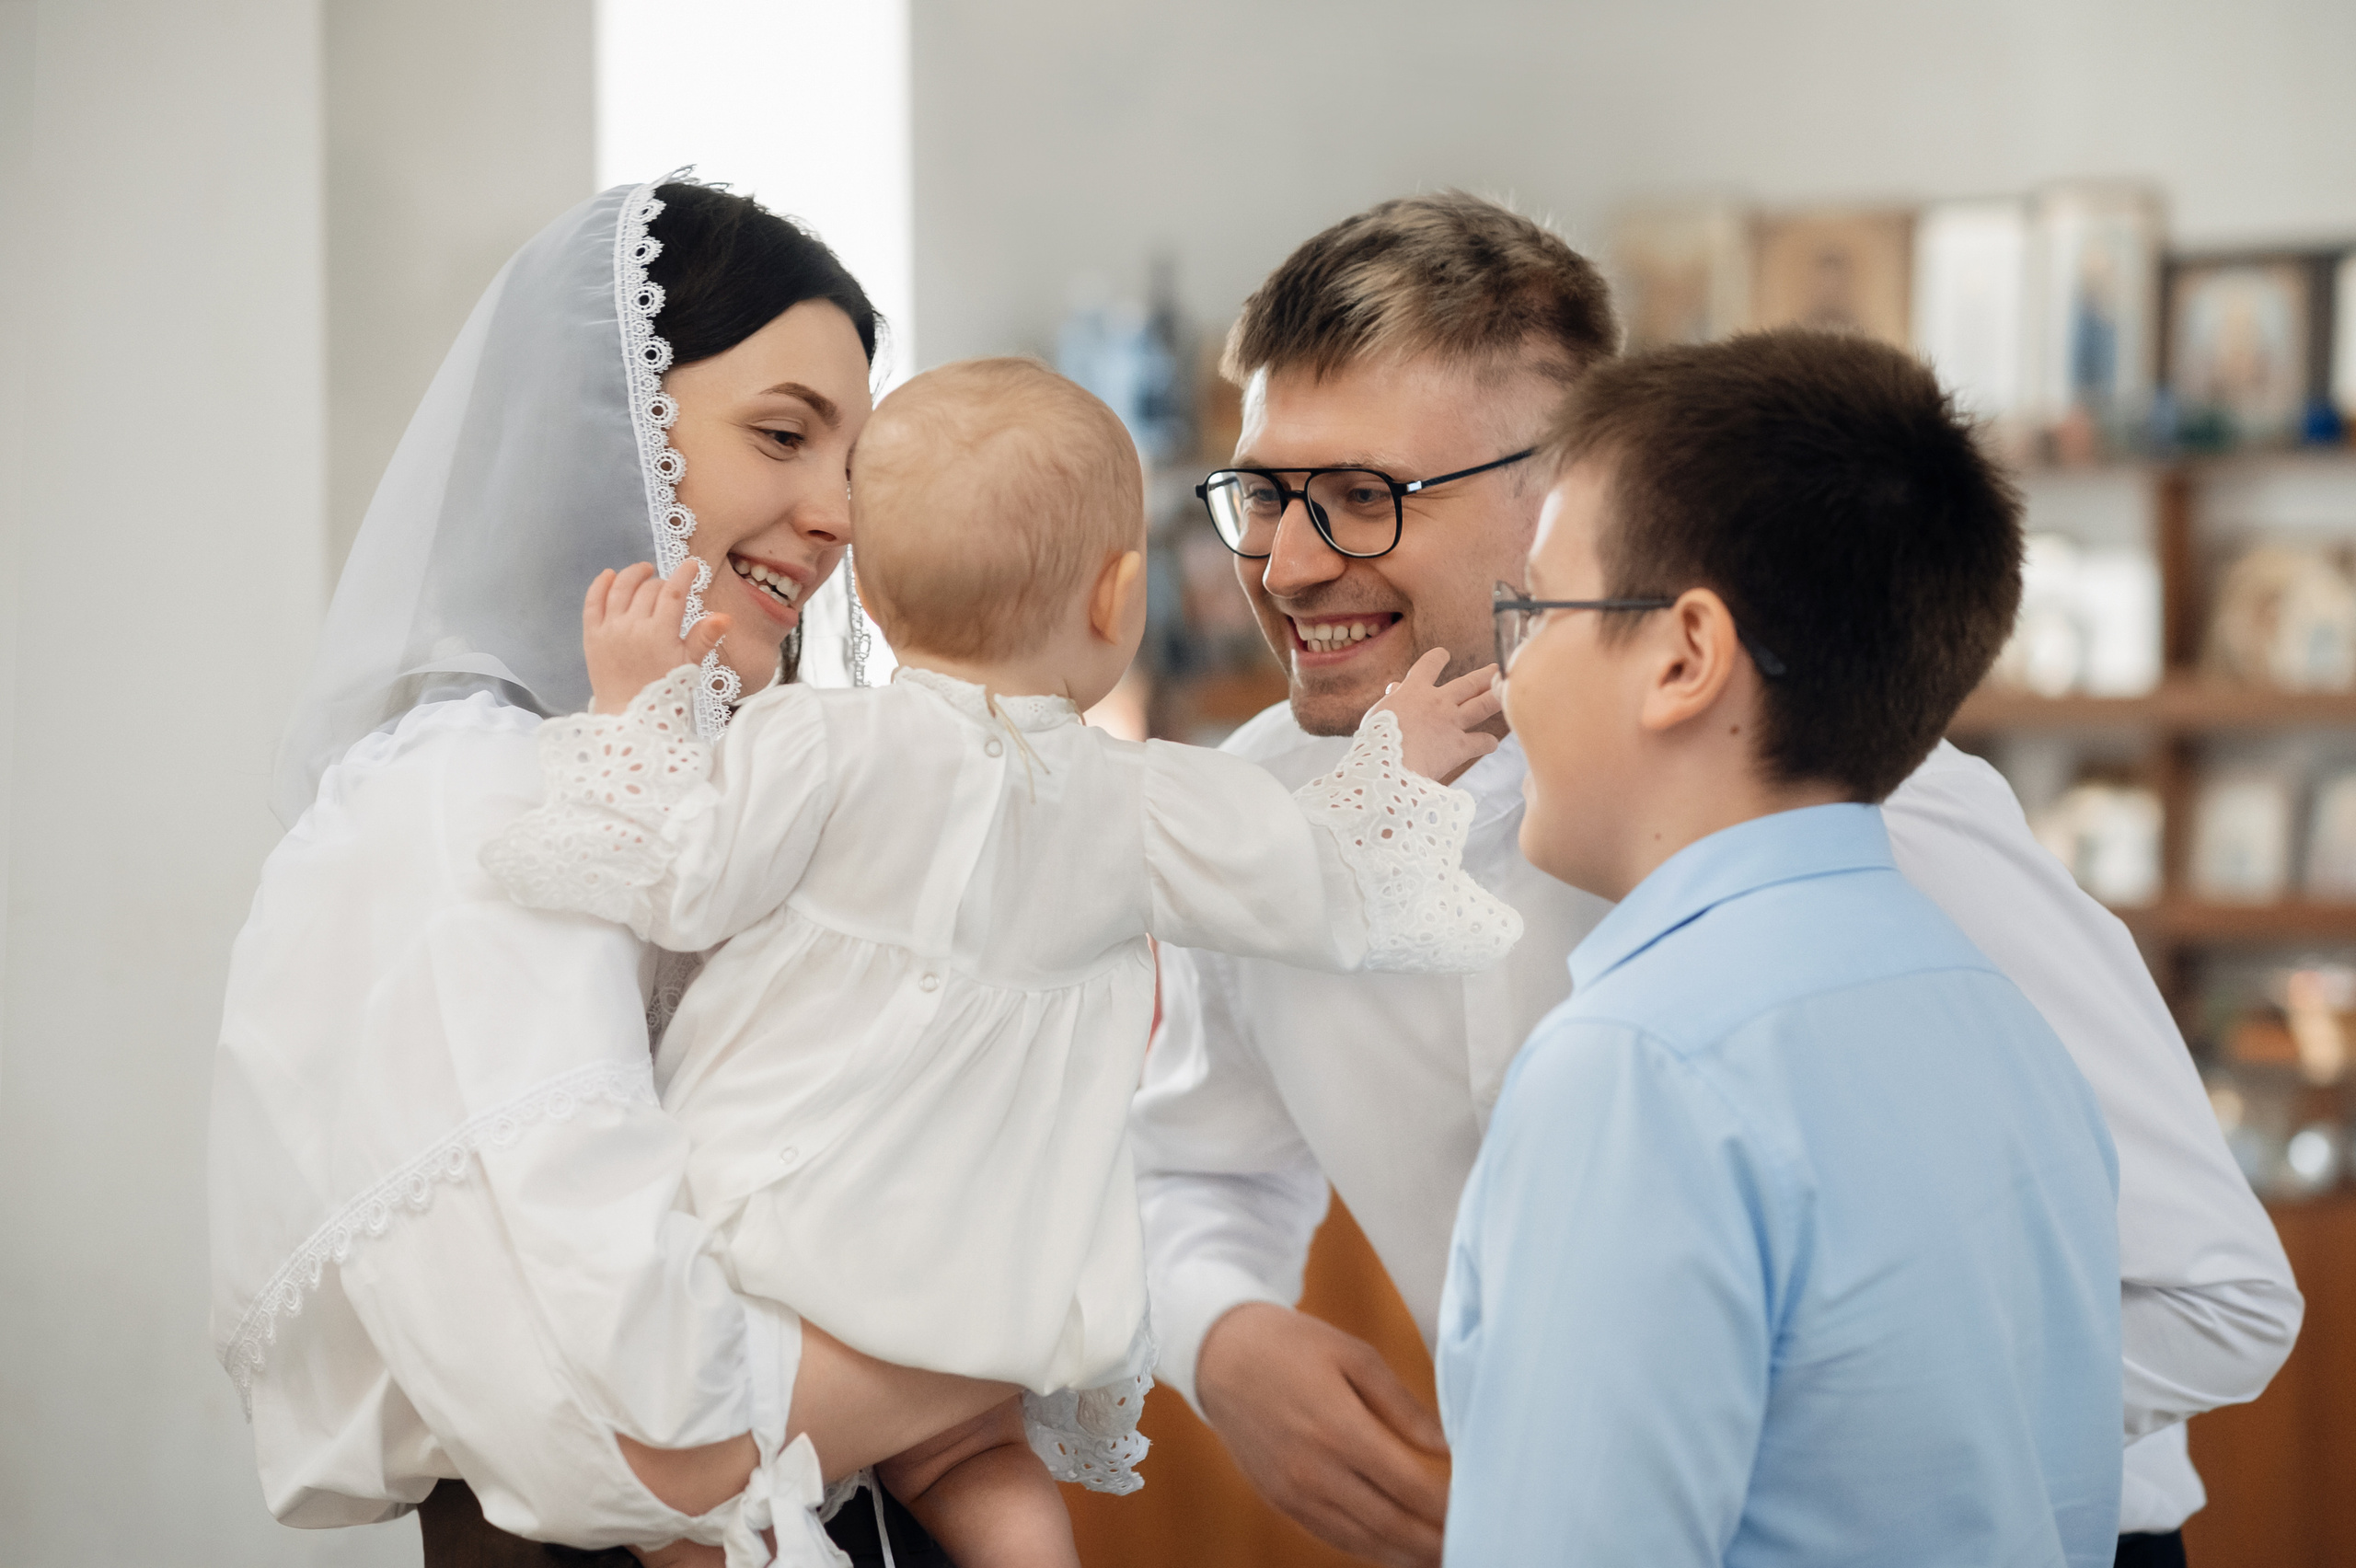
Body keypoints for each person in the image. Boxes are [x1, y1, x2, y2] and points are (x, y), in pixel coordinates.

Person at [1133, 192, 2303, 1568]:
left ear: (1557, 497)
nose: (1282, 562)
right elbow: (1182, 1170)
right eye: (1261, 494)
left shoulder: (1872, 810)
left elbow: (2213, 1293)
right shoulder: (1258, 815)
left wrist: (1777, 1459)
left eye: (1357, 499)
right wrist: (1222, 1340)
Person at [478, 356, 1522, 1565]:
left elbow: (673, 870)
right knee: (987, 1470)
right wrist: (1405, 758)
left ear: (868, 603)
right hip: (984, 1277)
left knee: (716, 1494)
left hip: (780, 1233)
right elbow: (1317, 873)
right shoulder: (1135, 798)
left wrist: (638, 708)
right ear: (1117, 597)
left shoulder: (816, 743)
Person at [210, 178, 954, 1568]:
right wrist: (1000, 1348)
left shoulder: (726, 794)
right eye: (784, 435)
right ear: (605, 427)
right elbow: (642, 1442)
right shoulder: (461, 797)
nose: (838, 516)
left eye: (854, 465)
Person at [1442, 328, 2121, 1563]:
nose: (1511, 674)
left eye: (1532, 610)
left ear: (1685, 655)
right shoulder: (1997, 1018)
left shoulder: (1639, 1068)